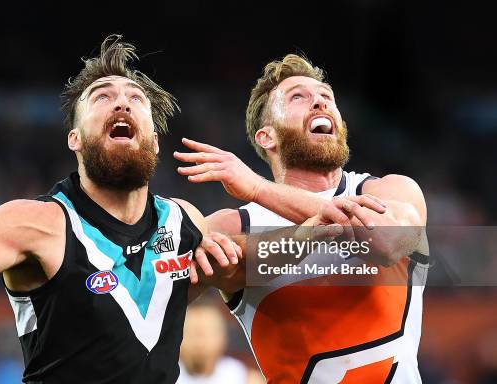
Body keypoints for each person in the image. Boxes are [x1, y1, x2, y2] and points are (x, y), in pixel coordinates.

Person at [0, 35, 241, 384]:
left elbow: (247, 270)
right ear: (74, 137)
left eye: (136, 98)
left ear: (153, 139)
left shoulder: (184, 222)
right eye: (102, 96)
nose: (122, 104)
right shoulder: (35, 222)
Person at [175, 54, 429, 383]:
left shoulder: (392, 190)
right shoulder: (234, 225)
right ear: (267, 137)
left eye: (327, 97)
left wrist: (257, 188)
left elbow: (385, 241)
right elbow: (162, 293)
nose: (320, 103)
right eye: (299, 97)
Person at [177, 300, 264, 384]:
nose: (200, 341)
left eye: (207, 331)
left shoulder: (247, 379)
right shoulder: (166, 377)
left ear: (222, 336)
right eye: (192, 332)